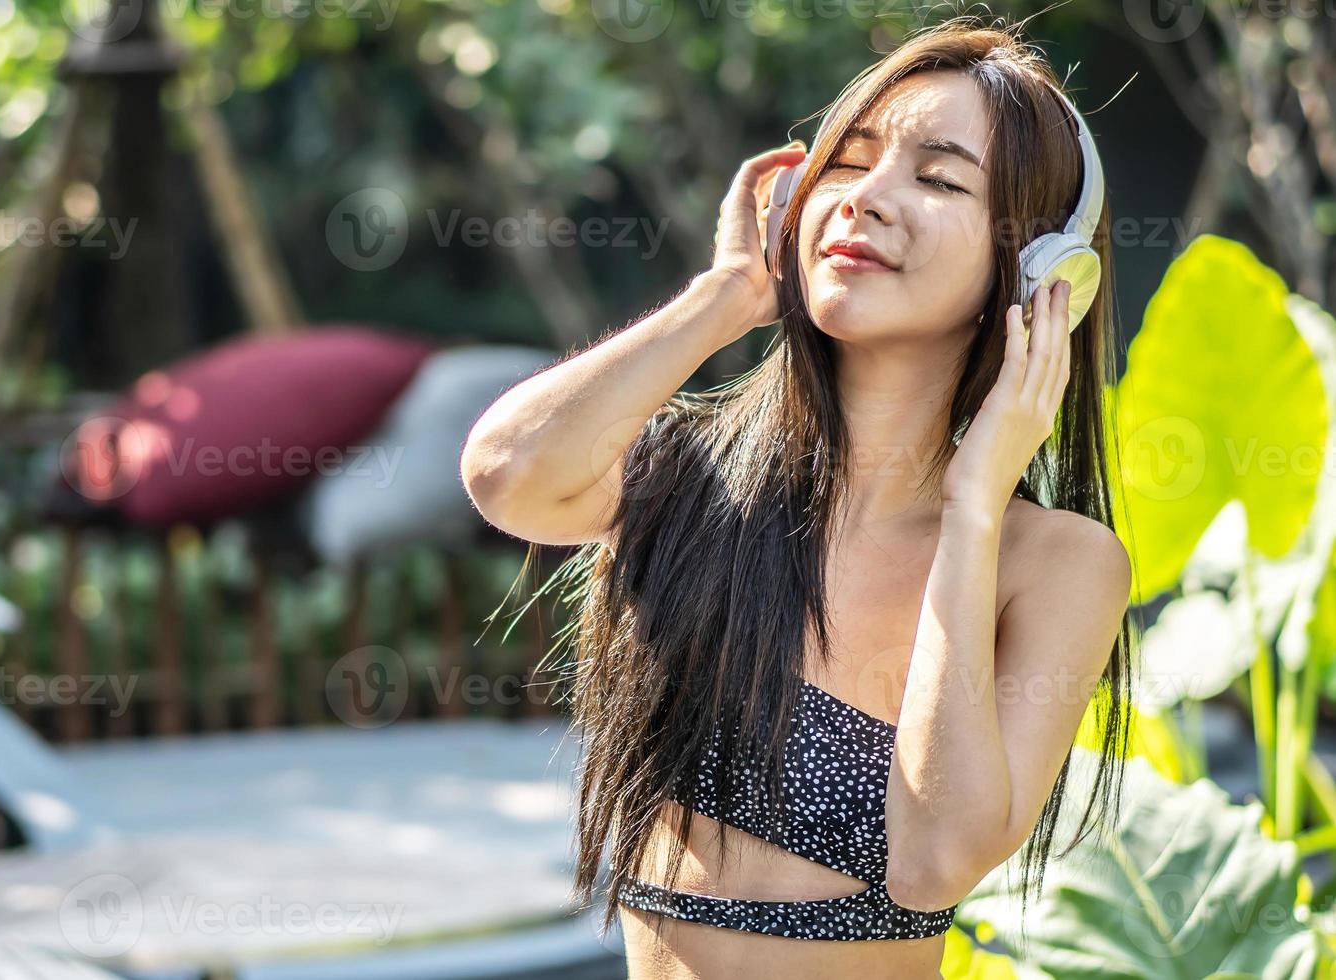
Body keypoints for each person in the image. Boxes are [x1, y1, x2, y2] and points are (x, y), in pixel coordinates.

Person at [460, 15, 1136, 979]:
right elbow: (506, 476)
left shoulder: (1055, 562)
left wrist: (973, 505)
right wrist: (731, 290)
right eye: (848, 165)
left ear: (1040, 272)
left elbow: (934, 863)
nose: (866, 200)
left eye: (938, 178)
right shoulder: (689, 478)